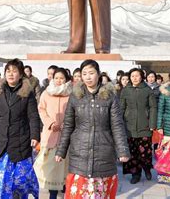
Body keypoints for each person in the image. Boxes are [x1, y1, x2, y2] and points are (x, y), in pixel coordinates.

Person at [55, 59, 129, 199]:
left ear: (98, 74)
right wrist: (61, 150)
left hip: (104, 153)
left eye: (91, 73)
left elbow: (117, 125)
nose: (88, 77)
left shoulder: (110, 97)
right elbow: (69, 125)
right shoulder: (75, 96)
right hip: (79, 154)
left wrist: (122, 150)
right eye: (84, 73)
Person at [0, 59, 40, 198]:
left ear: (20, 74)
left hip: (19, 141)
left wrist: (35, 136)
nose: (11, 74)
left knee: (18, 182)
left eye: (14, 71)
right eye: (8, 71)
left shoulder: (27, 93)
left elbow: (33, 117)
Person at [34, 68, 72, 199]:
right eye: (57, 78)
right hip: (50, 133)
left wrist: (65, 125)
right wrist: (50, 123)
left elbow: (75, 112)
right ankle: (53, 193)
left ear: (66, 79)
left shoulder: (71, 94)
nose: (59, 80)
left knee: (64, 165)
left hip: (66, 134)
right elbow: (41, 110)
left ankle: (65, 188)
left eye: (62, 78)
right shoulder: (46, 93)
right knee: (51, 166)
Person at [120, 68, 157, 184]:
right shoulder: (126, 90)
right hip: (129, 126)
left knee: (145, 151)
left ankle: (147, 168)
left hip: (144, 125)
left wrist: (152, 124)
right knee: (132, 152)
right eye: (132, 76)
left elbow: (153, 108)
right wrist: (120, 123)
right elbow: (121, 108)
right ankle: (135, 174)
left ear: (141, 77)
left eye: (137, 76)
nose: (134, 78)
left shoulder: (147, 90)